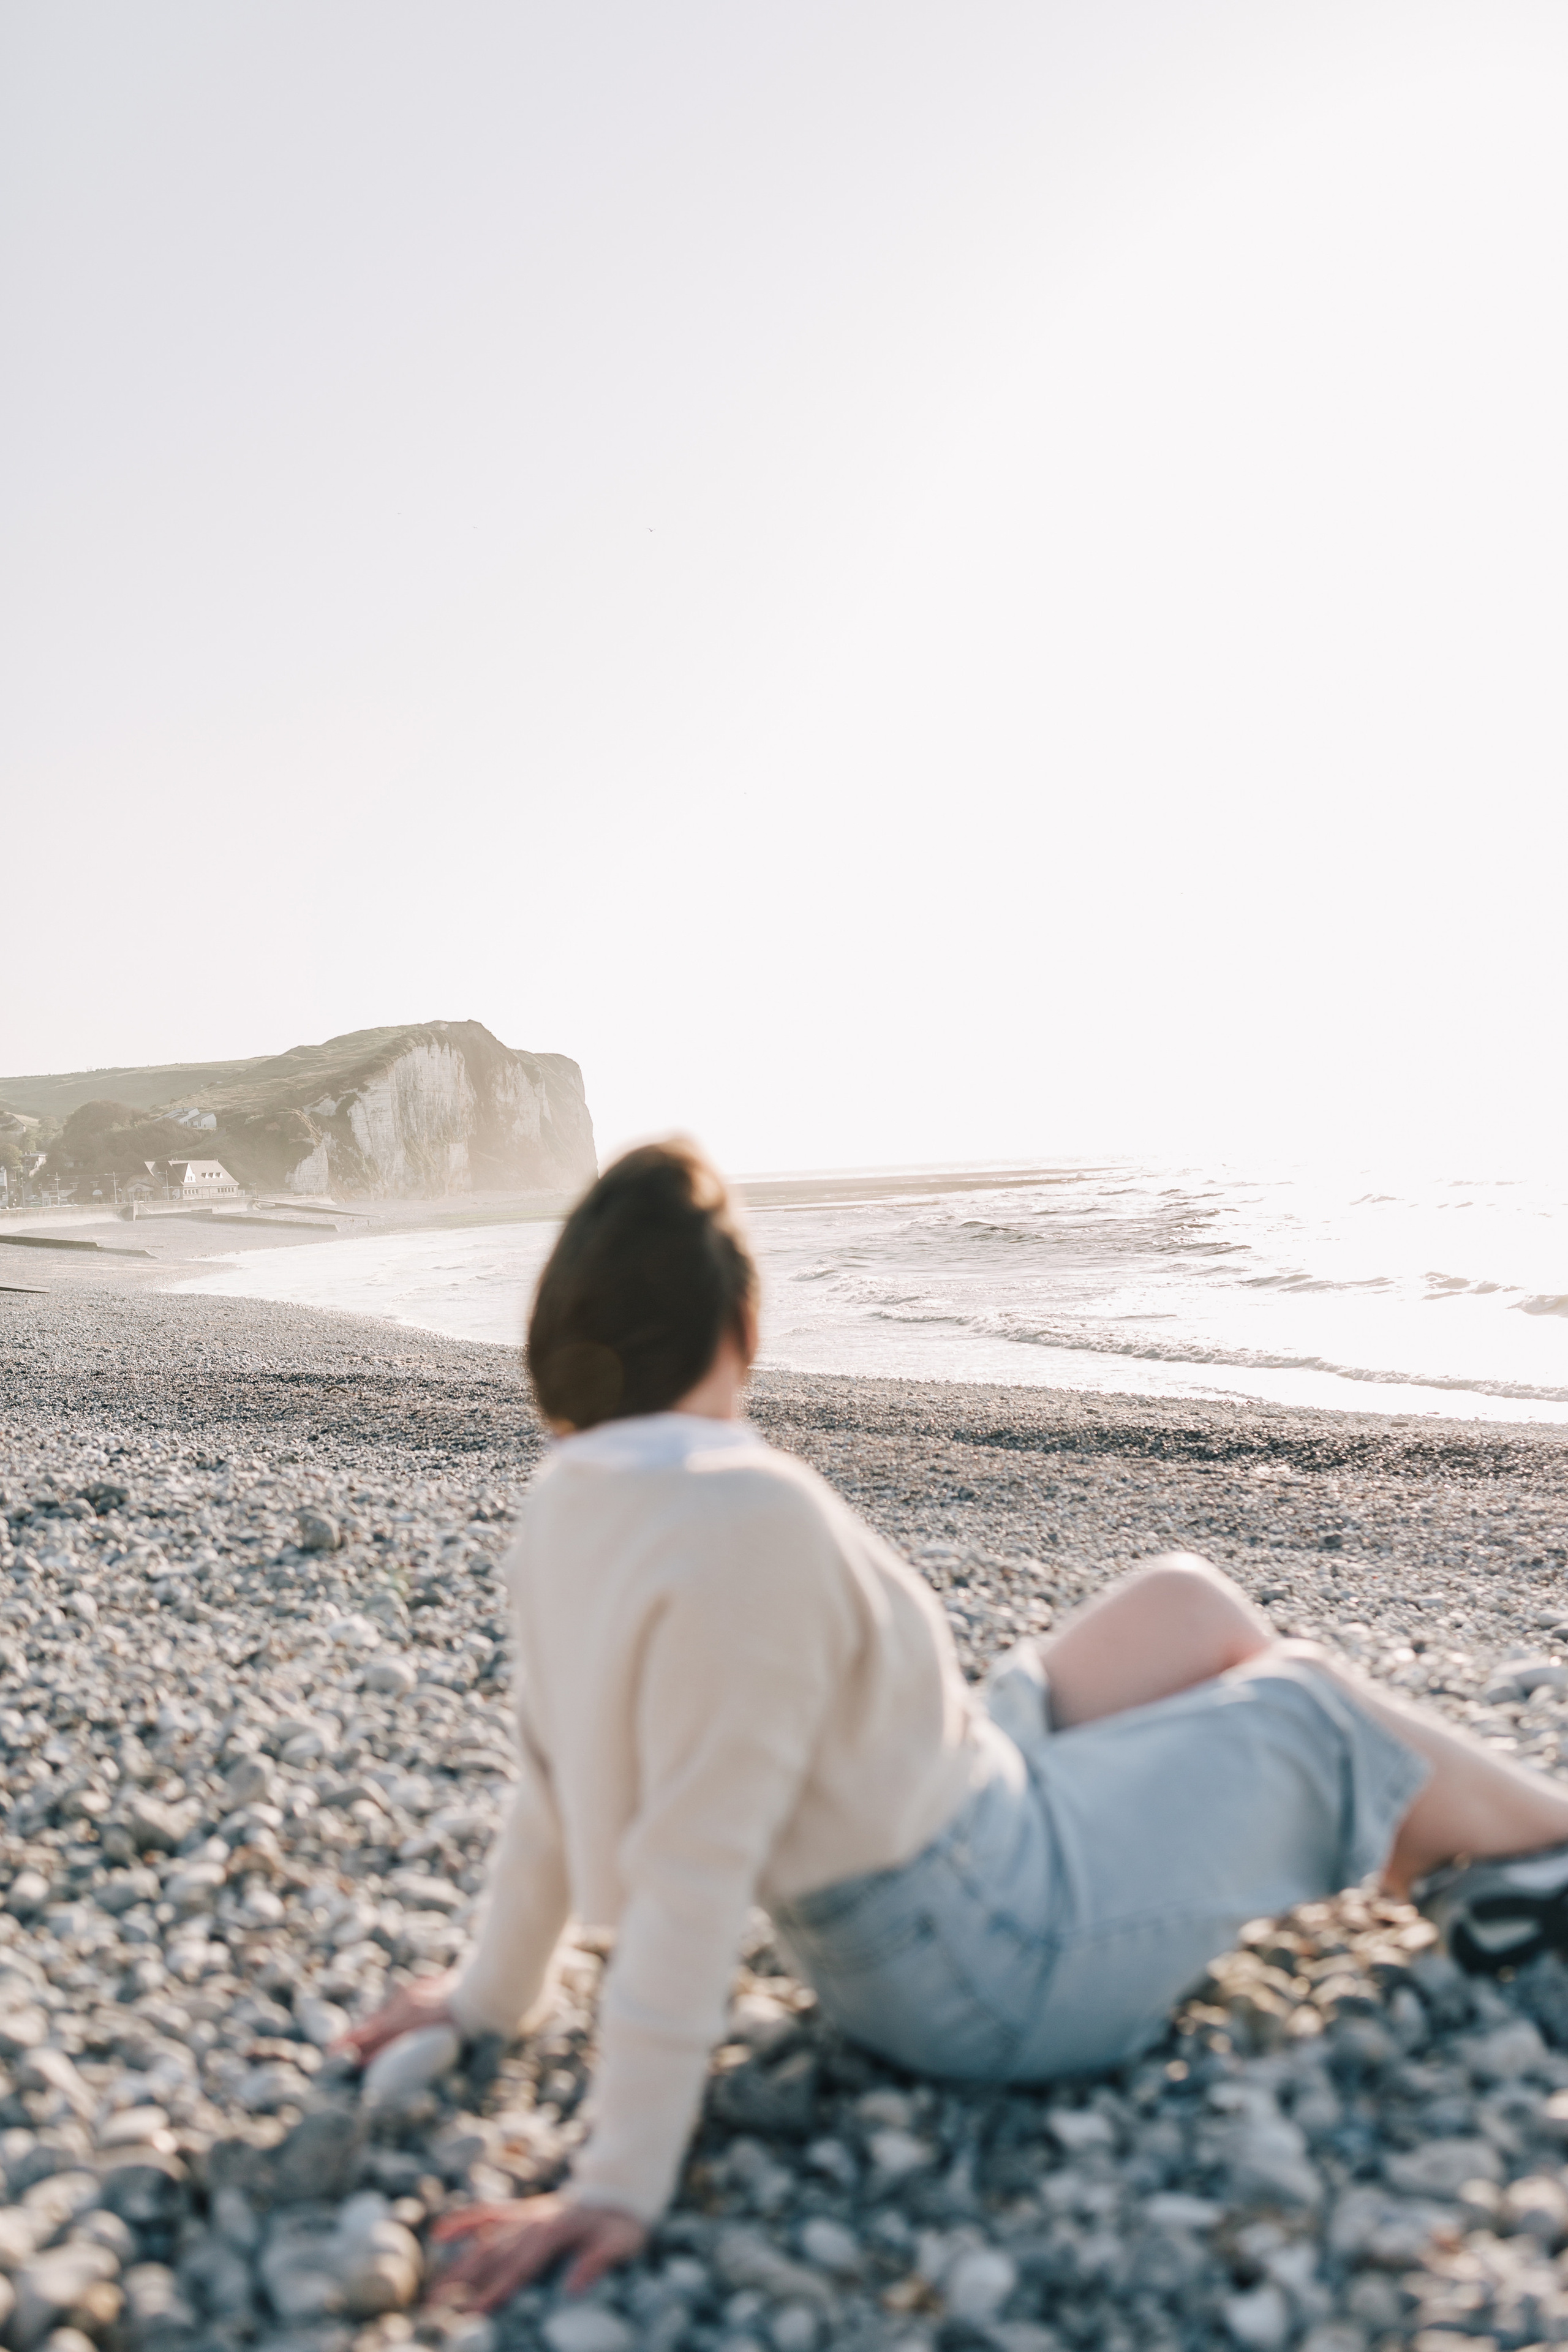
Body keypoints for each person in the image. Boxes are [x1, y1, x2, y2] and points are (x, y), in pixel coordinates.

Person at [337, 1140, 1568, 2313]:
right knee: (1304, 1706)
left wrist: (489, 2000)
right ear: (742, 1327)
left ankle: (1438, 1851)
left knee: (1182, 1604)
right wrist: (619, 2181)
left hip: (954, 1826)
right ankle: (1540, 1854)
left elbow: (548, 1786)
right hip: (988, 1956)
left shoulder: (569, 1503)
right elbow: (691, 1870)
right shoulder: (745, 1516)